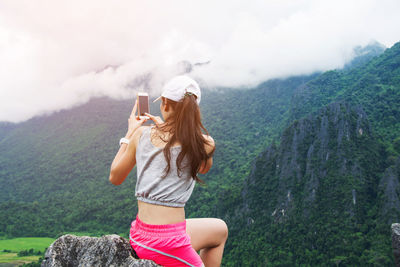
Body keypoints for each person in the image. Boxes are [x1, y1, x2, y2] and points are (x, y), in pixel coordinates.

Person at [109, 75, 228, 267]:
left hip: (143, 236)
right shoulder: (204, 144)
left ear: (164, 103)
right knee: (219, 235)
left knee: (220, 229)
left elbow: (115, 176)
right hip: (166, 243)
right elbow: (203, 169)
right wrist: (170, 129)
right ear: (193, 110)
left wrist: (129, 134)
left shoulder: (141, 135)